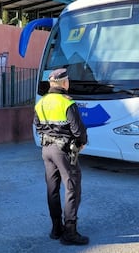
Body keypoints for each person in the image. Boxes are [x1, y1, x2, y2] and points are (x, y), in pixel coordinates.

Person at [33, 68, 89, 245]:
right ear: (64, 83)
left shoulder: (40, 103)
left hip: (46, 150)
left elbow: (37, 125)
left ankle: (56, 228)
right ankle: (70, 232)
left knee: (52, 189)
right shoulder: (67, 103)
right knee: (72, 188)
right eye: (68, 81)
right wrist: (81, 142)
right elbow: (78, 130)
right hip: (63, 151)